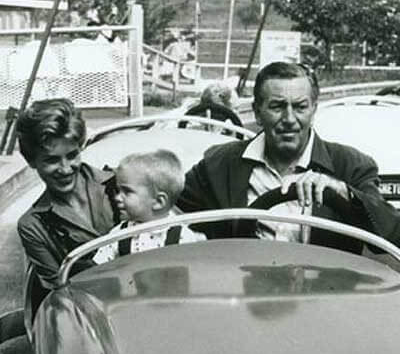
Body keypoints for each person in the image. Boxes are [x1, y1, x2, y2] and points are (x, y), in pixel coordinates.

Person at [177, 61, 400, 254]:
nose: (289, 119)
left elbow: (391, 236)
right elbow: (167, 203)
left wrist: (342, 191)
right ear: (257, 112)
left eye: (300, 107)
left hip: (326, 296)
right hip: (244, 294)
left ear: (313, 110)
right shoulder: (220, 163)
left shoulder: (350, 165)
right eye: (277, 106)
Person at [17, 98, 118, 290]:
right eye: (51, 160)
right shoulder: (34, 225)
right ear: (32, 161)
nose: (65, 169)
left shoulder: (121, 183)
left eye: (72, 155)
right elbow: (60, 294)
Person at [93, 149, 205, 264]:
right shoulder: (119, 234)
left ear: (158, 202)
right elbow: (97, 269)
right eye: (118, 190)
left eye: (127, 192)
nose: (117, 198)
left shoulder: (183, 237)